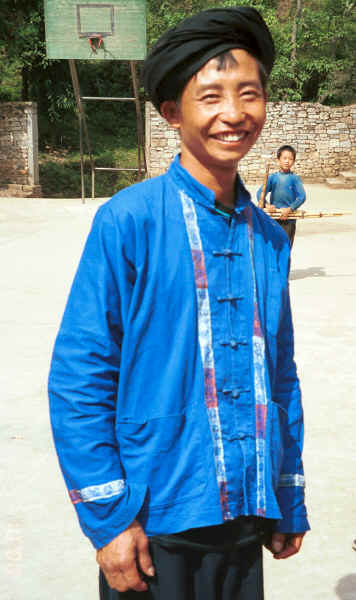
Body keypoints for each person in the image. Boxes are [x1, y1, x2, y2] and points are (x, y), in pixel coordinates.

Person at [48, 7, 310, 600]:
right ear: (172, 113)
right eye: (211, 96)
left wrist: (289, 491)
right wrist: (109, 518)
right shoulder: (129, 220)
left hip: (246, 519)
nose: (234, 113)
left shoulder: (267, 238)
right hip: (153, 522)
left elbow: (282, 374)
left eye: (249, 94)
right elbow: (81, 376)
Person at [256, 145, 306, 247]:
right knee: (272, 247)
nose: (287, 161)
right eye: (284, 158)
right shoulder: (272, 178)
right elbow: (259, 193)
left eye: (290, 159)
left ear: (294, 161)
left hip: (289, 219)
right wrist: (267, 205)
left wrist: (290, 209)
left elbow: (302, 196)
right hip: (273, 217)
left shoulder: (294, 179)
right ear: (278, 160)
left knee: (285, 247)